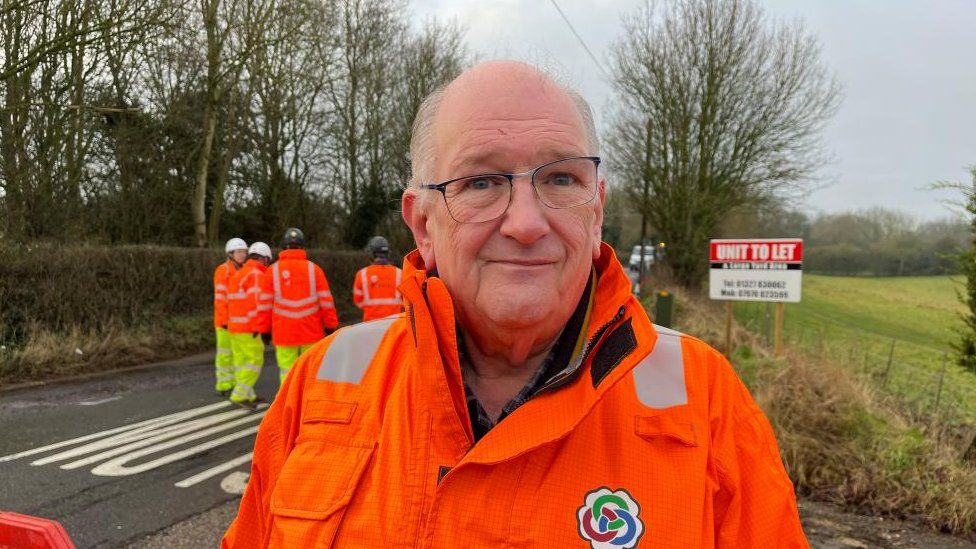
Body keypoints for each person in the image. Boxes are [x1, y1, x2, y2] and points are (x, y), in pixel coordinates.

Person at [224, 61, 807, 547]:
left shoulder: (704, 402)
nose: (527, 224)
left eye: (560, 179)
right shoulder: (320, 387)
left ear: (596, 208)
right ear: (421, 223)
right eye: (480, 182)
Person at [258, 228, 340, 383]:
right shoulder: (314, 269)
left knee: (287, 371)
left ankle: (289, 405)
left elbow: (264, 305)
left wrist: (264, 330)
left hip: (284, 333)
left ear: (283, 247)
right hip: (311, 332)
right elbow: (326, 302)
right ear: (303, 247)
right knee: (311, 370)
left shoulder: (272, 271)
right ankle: (308, 404)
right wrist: (331, 326)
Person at [226, 241, 273, 410]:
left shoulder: (240, 273)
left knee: (241, 362)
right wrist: (260, 328)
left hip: (234, 327)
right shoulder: (257, 275)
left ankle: (248, 394)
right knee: (254, 361)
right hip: (249, 328)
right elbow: (257, 304)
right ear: (264, 259)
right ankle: (239, 394)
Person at [213, 237, 248, 396]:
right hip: (225, 323)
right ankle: (224, 384)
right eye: (238, 252)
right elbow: (220, 299)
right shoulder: (223, 270)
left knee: (238, 355)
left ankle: (236, 384)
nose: (242, 255)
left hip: (240, 323)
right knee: (225, 355)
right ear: (230, 253)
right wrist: (225, 320)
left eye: (244, 252)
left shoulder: (245, 270)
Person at [352, 235, 403, 321]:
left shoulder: (361, 274)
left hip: (371, 323)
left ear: (371, 253)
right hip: (394, 323)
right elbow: (406, 299)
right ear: (387, 253)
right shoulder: (400, 273)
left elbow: (358, 301)